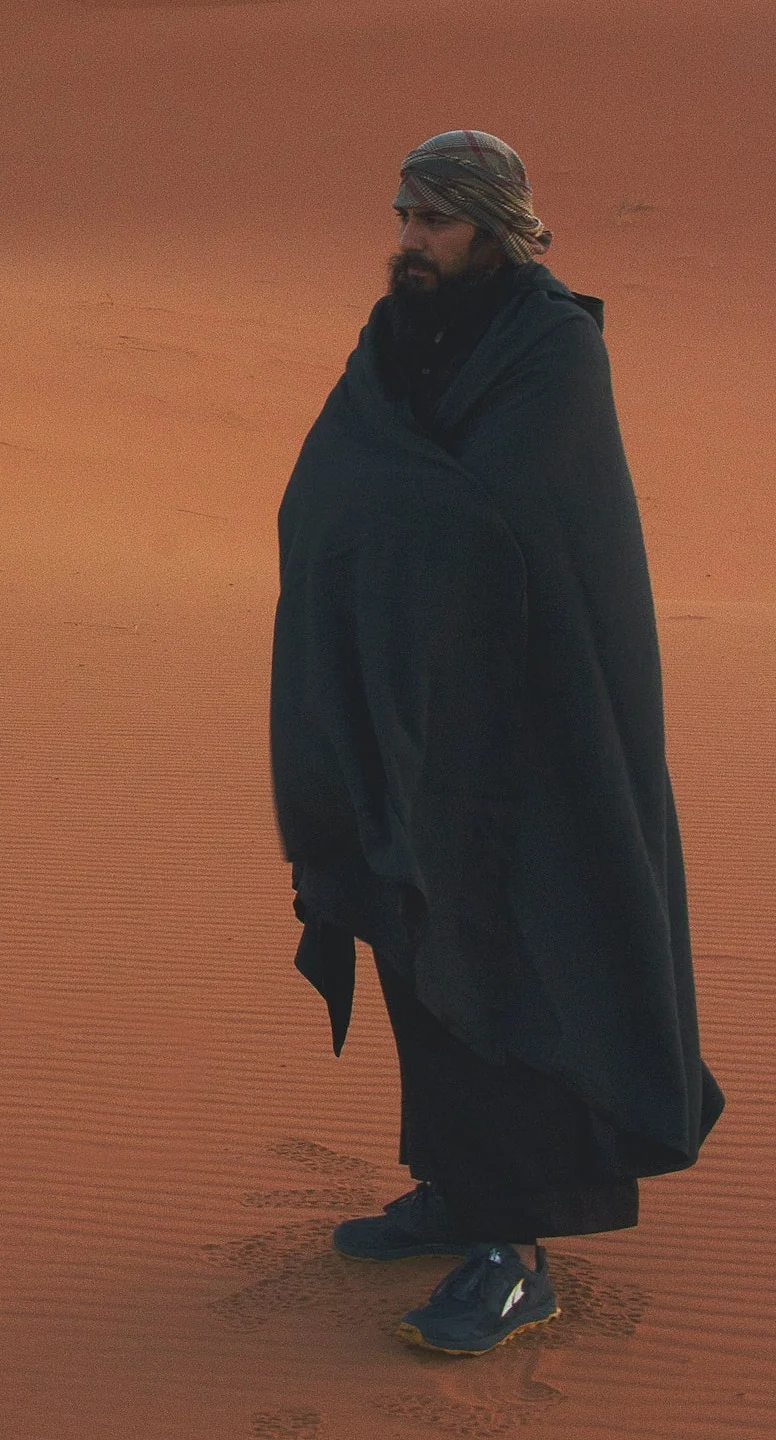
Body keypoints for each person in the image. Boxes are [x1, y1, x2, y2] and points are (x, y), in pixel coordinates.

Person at [268, 130, 724, 1356]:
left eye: (435, 220)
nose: (409, 239)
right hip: (415, 713)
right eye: (404, 213)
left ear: (494, 228)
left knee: (520, 955)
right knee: (421, 936)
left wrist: (380, 517)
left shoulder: (553, 349)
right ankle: (459, 1193)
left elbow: (498, 522)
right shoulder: (398, 334)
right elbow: (341, 476)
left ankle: (517, 1254)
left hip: (535, 729)